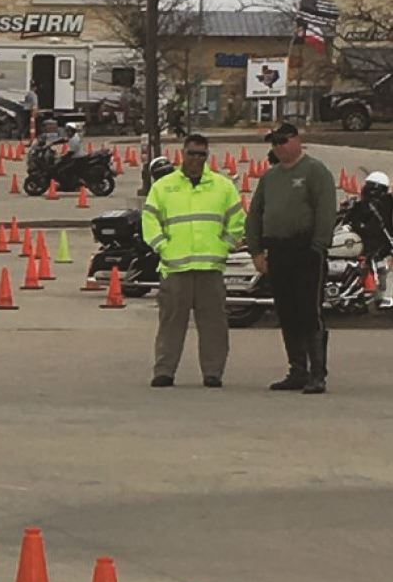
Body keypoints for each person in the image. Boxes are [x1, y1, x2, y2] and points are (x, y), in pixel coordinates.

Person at [143, 133, 242, 389]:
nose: (196, 159)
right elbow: (150, 220)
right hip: (176, 270)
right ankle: (164, 371)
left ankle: (213, 373)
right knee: (170, 325)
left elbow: (237, 221)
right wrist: (162, 247)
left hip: (210, 270)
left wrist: (225, 246)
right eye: (192, 153)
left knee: (214, 327)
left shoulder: (223, 186)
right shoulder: (163, 187)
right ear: (182, 154)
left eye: (201, 154)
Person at [246, 121, 337, 394]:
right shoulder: (270, 177)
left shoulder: (314, 171)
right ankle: (297, 370)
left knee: (309, 311)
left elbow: (325, 211)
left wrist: (319, 246)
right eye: (275, 142)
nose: (280, 146)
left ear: (298, 140)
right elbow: (255, 214)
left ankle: (317, 373)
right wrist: (256, 251)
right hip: (279, 251)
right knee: (286, 312)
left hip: (306, 250)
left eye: (284, 140)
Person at [352, 171, 393, 309]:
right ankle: (379, 297)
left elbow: (349, 220)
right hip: (375, 247)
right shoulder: (386, 204)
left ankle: (374, 296)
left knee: (380, 267)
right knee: (381, 267)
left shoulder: (361, 204)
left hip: (364, 245)